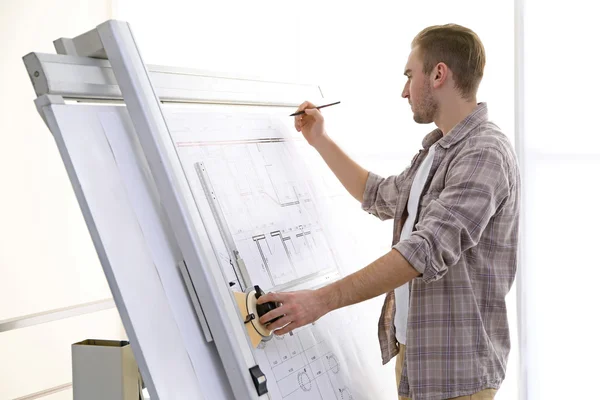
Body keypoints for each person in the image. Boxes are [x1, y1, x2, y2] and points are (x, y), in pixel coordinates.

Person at [257, 23, 519, 400]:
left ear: (439, 74)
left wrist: (321, 300)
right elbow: (380, 194)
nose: (404, 90)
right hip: (418, 362)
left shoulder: (484, 153)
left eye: (410, 75)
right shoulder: (437, 151)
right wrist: (320, 140)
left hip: (457, 375)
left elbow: (424, 251)